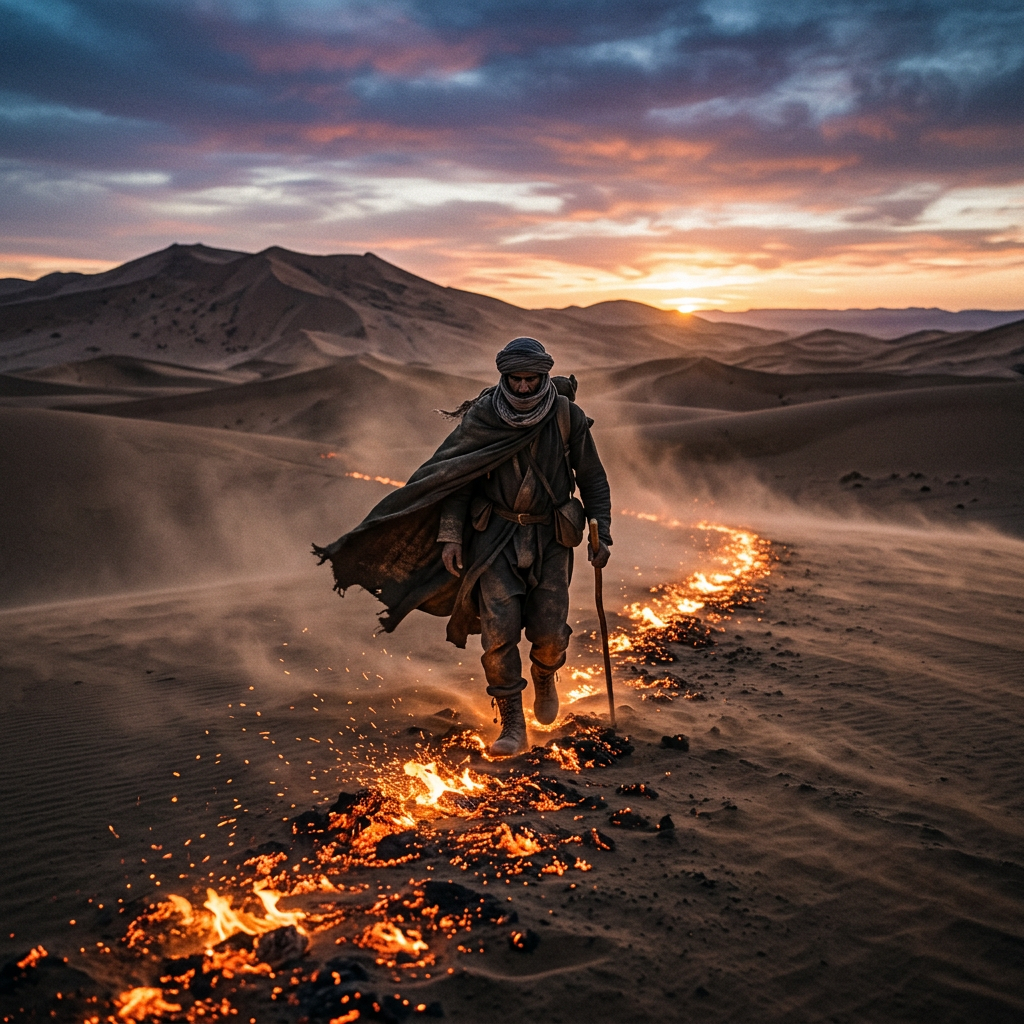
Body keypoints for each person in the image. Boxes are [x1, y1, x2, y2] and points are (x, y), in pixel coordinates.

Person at [313, 337, 612, 756]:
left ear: (544, 376)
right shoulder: (484, 416)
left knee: (549, 632)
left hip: (550, 539)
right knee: (498, 633)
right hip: (494, 541)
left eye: (532, 379)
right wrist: (451, 535)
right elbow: (456, 477)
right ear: (503, 377)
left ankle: (545, 675)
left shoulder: (566, 416)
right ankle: (512, 722)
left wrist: (604, 532)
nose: (524, 388)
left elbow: (593, 479)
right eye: (516, 379)